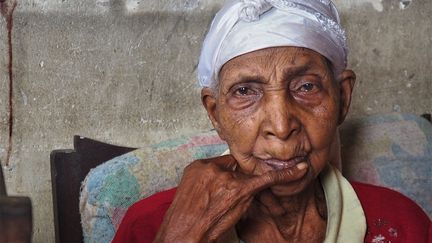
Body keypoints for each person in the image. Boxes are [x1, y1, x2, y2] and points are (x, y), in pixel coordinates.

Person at [112, 0, 431, 242]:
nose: (280, 127)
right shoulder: (149, 225)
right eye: (245, 92)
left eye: (306, 87)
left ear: (343, 99)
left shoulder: (401, 222)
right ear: (215, 114)